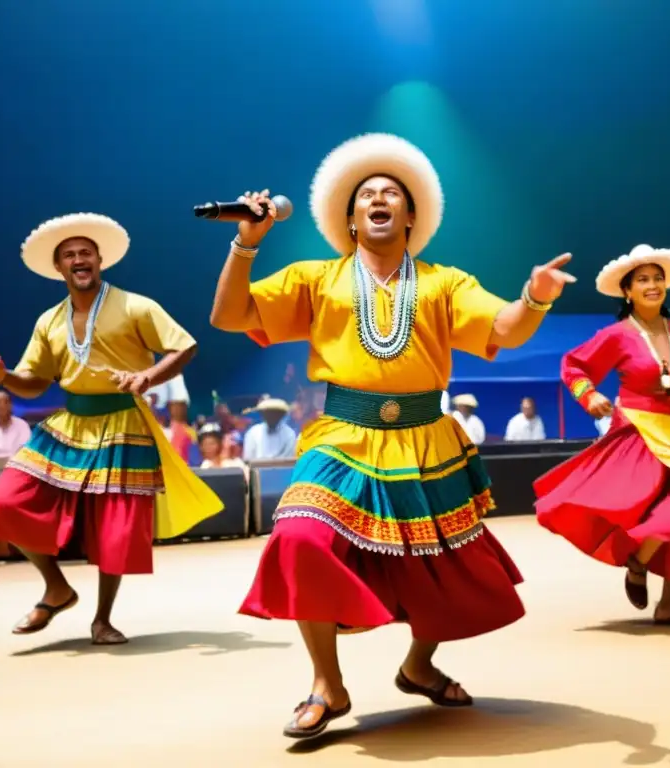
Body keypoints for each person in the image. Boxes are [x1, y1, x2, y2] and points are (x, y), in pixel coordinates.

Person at [208, 133, 574, 739]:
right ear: (350, 219)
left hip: (427, 438)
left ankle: (419, 666)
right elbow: (229, 316)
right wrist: (246, 243)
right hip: (341, 436)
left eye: (392, 194)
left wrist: (534, 296)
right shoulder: (314, 278)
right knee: (299, 537)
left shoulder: (443, 283)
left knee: (445, 566)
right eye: (366, 194)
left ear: (410, 216)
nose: (379, 198)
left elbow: (506, 328)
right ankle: (328, 683)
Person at [0, 213, 221, 644]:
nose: (79, 260)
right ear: (58, 268)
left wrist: (147, 378)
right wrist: (4, 378)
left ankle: (102, 619)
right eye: (69, 255)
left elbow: (185, 345)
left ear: (99, 261)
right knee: (1, 503)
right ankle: (56, 588)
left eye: (86, 253)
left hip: (124, 425)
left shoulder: (135, 305)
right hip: (68, 424)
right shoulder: (48, 321)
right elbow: (35, 383)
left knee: (116, 530)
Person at [534, 244, 670, 626]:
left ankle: (656, 587)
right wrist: (589, 395)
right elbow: (574, 365)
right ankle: (644, 570)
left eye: (658, 278)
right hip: (636, 431)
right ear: (627, 291)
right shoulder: (616, 335)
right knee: (657, 508)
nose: (653, 285)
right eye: (643, 280)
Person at [0, 388, 32, 460]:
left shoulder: (22, 425)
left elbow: (27, 449)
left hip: (13, 465)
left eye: (6, 402)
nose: (2, 405)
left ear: (11, 404)